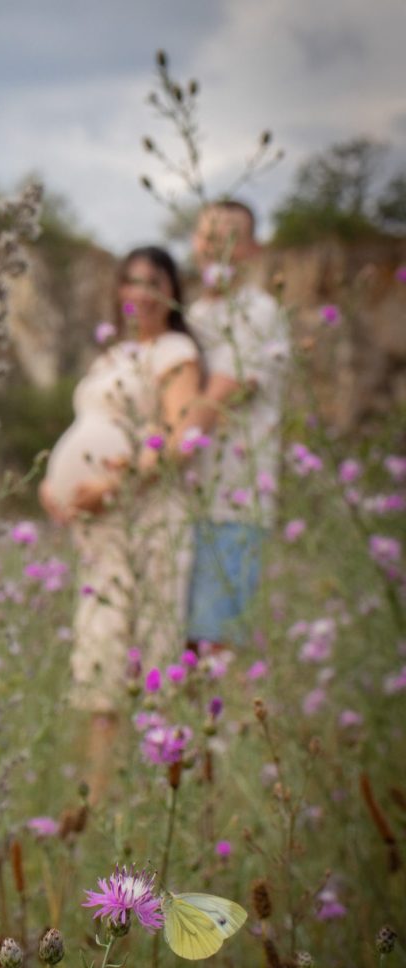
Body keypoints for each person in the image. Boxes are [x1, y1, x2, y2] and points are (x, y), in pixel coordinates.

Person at [39, 247, 202, 798]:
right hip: (100, 529)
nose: (138, 292)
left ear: (171, 291)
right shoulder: (111, 356)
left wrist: (113, 484)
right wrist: (54, 486)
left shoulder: (175, 352)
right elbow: (86, 424)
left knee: (148, 648)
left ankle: (154, 791)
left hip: (145, 515)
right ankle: (99, 794)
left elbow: (181, 440)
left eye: (151, 282)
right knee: (101, 646)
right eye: (129, 281)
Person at [184, 200, 290, 650]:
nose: (216, 247)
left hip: (232, 500)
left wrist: (159, 451)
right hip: (184, 499)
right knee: (174, 645)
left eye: (230, 237)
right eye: (208, 235)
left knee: (212, 645)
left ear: (251, 249)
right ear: (194, 242)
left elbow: (221, 393)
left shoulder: (258, 311)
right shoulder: (191, 315)